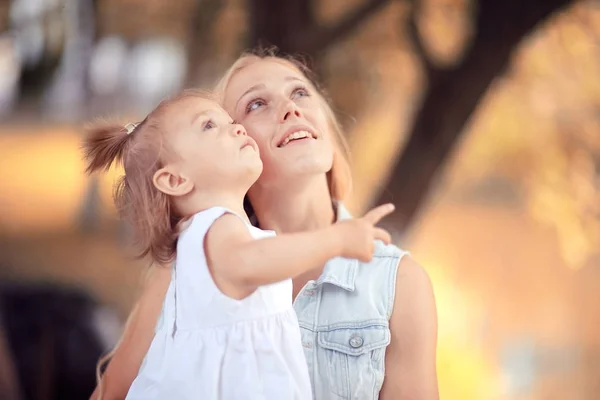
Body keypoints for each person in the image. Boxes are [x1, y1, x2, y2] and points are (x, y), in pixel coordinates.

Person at [92, 49, 439, 400]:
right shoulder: (192, 267)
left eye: (300, 92)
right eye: (255, 104)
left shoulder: (399, 283)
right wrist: (336, 240)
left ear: (328, 127)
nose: (291, 108)